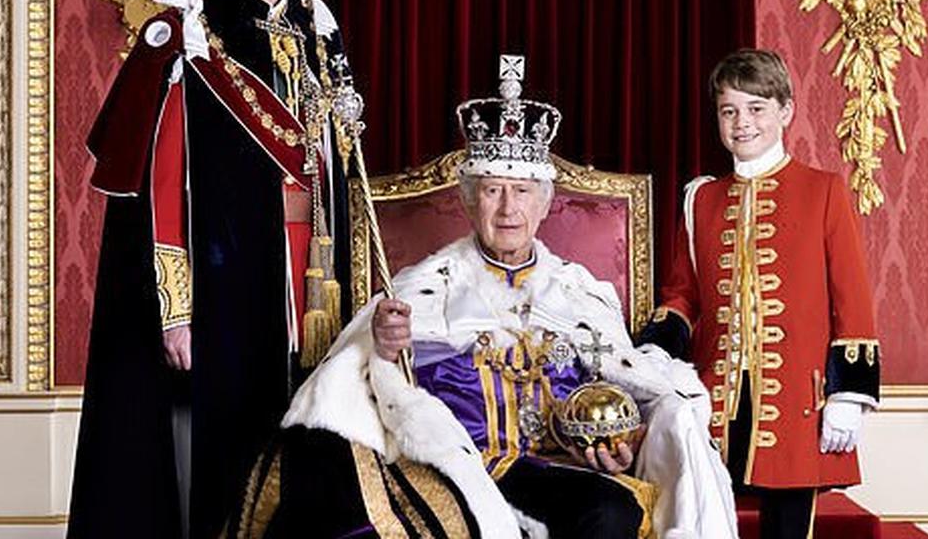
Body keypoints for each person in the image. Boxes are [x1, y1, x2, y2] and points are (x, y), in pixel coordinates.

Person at [224, 58, 738, 539]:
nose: (508, 208)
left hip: (554, 467)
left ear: (544, 205)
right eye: (492, 190)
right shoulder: (426, 286)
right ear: (470, 202)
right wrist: (383, 348)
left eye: (522, 191)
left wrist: (622, 442)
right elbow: (364, 384)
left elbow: (625, 387)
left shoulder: (580, 292)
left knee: (614, 508)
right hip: (459, 466)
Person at [70, 0, 357, 539]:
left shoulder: (317, 29)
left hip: (312, 285)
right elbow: (162, 181)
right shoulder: (189, 29)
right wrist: (175, 312)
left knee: (307, 466)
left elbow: (336, 175)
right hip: (224, 286)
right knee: (227, 468)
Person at [638, 48, 882, 539]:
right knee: (703, 523)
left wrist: (849, 394)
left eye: (756, 109)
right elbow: (683, 294)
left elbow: (851, 298)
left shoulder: (824, 190)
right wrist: (653, 354)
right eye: (729, 111)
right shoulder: (701, 198)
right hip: (717, 398)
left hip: (799, 400)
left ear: (786, 111)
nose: (741, 123)